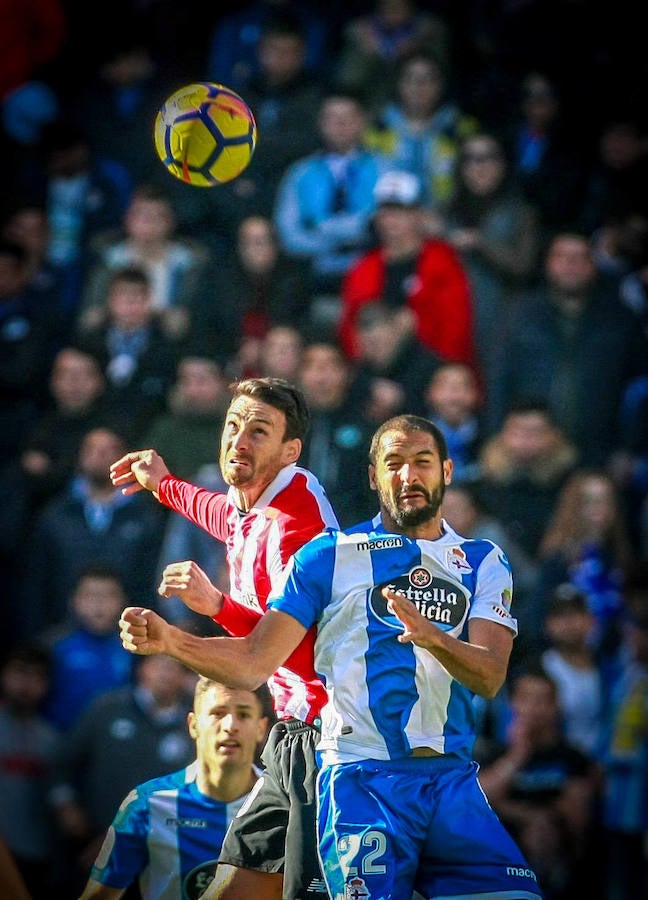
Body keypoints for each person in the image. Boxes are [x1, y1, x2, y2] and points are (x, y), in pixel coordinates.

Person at [118, 414, 544, 900]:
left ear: (446, 471)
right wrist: (173, 642)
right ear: (372, 477)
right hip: (362, 780)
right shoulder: (328, 555)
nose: (408, 476)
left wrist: (436, 639)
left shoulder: (484, 559)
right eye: (394, 464)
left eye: (422, 462)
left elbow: (490, 676)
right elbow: (256, 660)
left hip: (454, 781)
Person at [109, 376, 339, 900]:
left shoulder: (295, 527)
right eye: (234, 425)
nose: (239, 440)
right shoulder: (258, 501)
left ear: (290, 451)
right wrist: (163, 483)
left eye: (259, 431)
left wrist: (184, 630)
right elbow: (223, 515)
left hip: (332, 741)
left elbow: (270, 658)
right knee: (229, 890)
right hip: (295, 734)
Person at [78, 677, 270, 900]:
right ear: (193, 725)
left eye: (244, 715)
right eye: (217, 713)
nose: (230, 726)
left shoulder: (281, 805)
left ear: (261, 728)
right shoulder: (146, 803)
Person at [338, 169, 477, 369]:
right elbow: (349, 331)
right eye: (386, 210)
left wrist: (414, 326)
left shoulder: (443, 261)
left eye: (401, 210)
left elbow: (456, 330)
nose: (392, 219)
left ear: (419, 214)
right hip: (373, 372)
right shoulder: (363, 268)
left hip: (432, 371)